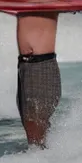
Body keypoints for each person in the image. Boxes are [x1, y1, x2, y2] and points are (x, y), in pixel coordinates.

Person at [16, 12, 61, 146]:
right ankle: (38, 161)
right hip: (25, 66)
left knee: (35, 125)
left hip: (41, 66)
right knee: (30, 127)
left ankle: (41, 162)